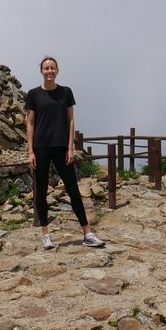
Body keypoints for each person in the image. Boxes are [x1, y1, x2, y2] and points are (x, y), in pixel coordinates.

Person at [25, 56, 105, 250]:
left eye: (52, 68)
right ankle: (45, 234)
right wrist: (30, 151)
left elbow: (70, 121)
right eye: (46, 68)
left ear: (57, 71)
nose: (49, 71)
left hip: (62, 146)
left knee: (73, 190)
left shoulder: (65, 92)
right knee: (41, 191)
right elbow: (30, 122)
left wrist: (70, 147)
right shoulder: (33, 94)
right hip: (41, 147)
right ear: (41, 71)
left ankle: (87, 233)